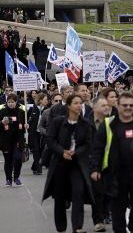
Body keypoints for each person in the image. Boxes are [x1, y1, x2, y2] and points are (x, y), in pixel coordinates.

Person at [92, 92, 133, 233]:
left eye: (131, 105)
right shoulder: (108, 123)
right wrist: (95, 168)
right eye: (124, 105)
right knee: (118, 208)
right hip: (115, 173)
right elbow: (98, 147)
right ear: (117, 105)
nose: (128, 108)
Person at [43, 94, 94, 233]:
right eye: (76, 103)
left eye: (80, 103)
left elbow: (88, 144)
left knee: (78, 193)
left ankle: (77, 227)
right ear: (69, 106)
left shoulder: (86, 124)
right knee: (60, 195)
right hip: (60, 163)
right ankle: (61, 226)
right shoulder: (58, 122)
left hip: (77, 164)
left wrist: (75, 152)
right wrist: (62, 152)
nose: (79, 106)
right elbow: (50, 140)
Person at [89, 96, 111, 232]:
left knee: (108, 192)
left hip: (110, 164)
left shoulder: (112, 122)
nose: (106, 107)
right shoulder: (87, 123)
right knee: (97, 193)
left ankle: (106, 213)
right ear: (94, 107)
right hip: (94, 163)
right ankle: (98, 220)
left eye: (107, 105)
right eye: (103, 105)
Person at [0, 93, 27, 187]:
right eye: (9, 102)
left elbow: (24, 124)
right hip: (6, 140)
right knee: (8, 160)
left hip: (18, 139)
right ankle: (8, 179)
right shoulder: (2, 111)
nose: (11, 104)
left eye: (12, 102)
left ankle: (16, 177)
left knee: (18, 158)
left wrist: (26, 126)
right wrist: (2, 122)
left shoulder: (21, 111)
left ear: (16, 102)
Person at [29, 92, 49, 175]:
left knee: (42, 151)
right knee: (36, 151)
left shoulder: (47, 110)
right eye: (45, 99)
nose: (47, 101)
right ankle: (38, 169)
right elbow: (28, 120)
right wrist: (27, 124)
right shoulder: (32, 109)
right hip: (34, 134)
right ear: (40, 100)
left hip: (43, 134)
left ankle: (34, 166)